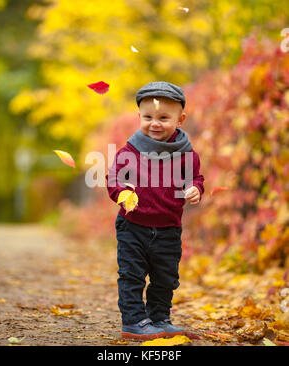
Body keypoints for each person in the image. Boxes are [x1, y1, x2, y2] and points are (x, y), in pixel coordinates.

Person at [105, 81, 205, 340]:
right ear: (139, 117)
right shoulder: (130, 151)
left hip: (168, 227)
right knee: (132, 274)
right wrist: (123, 194)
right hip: (133, 225)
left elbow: (195, 179)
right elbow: (114, 179)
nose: (155, 123)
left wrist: (195, 188)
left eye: (163, 117)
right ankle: (134, 322)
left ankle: (159, 318)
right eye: (148, 117)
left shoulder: (187, 155)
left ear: (180, 119)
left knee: (165, 277)